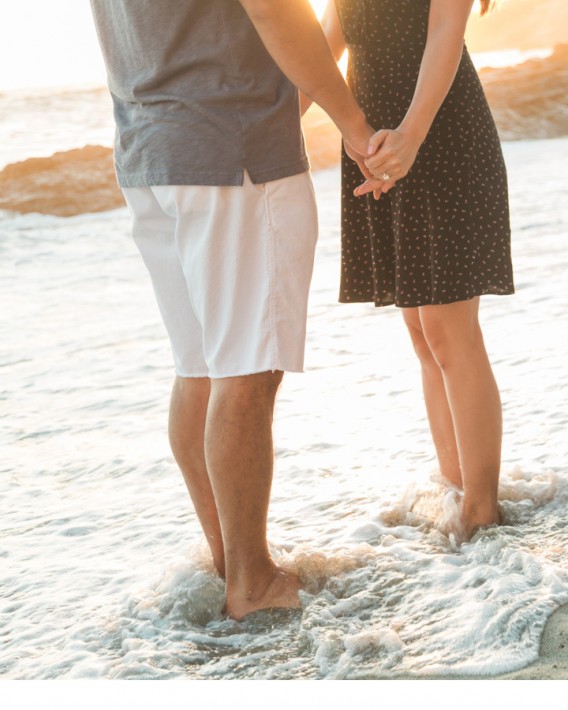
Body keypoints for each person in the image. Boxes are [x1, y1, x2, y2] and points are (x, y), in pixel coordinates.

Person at [89, 0, 375, 620]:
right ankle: (253, 583)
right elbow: (274, 8)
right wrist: (352, 122)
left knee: (200, 367)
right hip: (233, 148)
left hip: (148, 151)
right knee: (245, 371)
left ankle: (232, 564)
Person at [317, 0, 514, 537]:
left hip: (439, 134)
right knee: (422, 334)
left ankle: (482, 511)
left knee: (450, 332)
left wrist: (412, 134)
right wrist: (268, 130)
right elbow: (325, 43)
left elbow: (448, 27)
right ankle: (455, 489)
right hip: (376, 144)